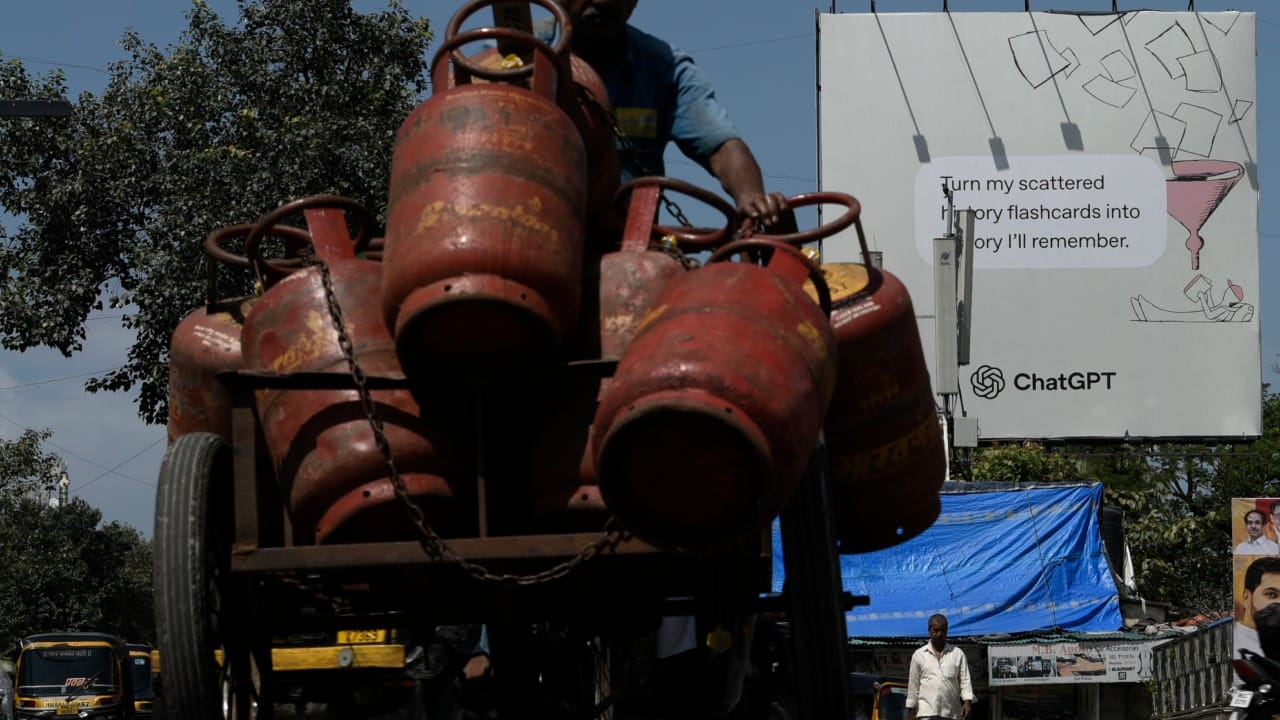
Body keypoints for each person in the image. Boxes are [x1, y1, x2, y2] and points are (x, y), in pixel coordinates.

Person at [551, 0, 787, 227]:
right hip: (534, 222)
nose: (605, 1)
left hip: (626, 248)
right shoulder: (521, 48)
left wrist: (750, 196)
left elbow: (721, 147)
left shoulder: (665, 67)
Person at [906, 614, 974, 720]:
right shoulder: (919, 655)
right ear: (929, 630)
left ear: (946, 631)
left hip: (951, 713)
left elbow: (965, 680)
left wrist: (967, 702)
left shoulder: (957, 653)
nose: (939, 634)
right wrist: (911, 711)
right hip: (926, 713)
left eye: (943, 630)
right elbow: (913, 685)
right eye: (936, 630)